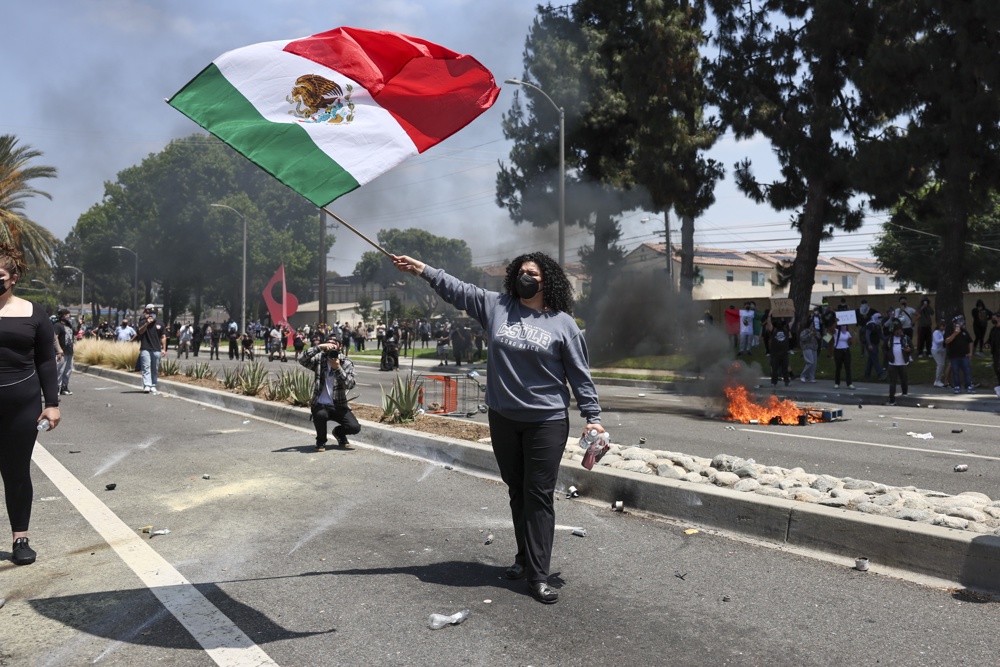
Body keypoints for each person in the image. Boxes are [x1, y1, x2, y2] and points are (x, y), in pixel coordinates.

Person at [392, 250, 604, 605]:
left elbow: (580, 375)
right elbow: (456, 289)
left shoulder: (563, 323)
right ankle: (524, 558)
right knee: (517, 492)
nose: (525, 277)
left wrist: (592, 415)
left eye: (532, 273)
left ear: (545, 280)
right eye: (521, 272)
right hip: (503, 418)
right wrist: (423, 269)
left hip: (546, 421)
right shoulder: (497, 307)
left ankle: (538, 575)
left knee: (538, 495)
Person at [0, 242, 61, 565]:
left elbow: (46, 361)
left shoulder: (33, 312)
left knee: (16, 472)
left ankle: (20, 538)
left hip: (21, 404)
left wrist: (52, 403)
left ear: (13, 277)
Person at [298, 334, 360, 452]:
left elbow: (350, 384)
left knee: (354, 427)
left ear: (340, 346)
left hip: (339, 405)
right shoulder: (320, 359)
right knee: (320, 414)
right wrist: (319, 346)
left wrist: (337, 368)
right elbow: (301, 358)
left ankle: (339, 433)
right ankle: (321, 440)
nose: (331, 345)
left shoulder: (346, 362)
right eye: (328, 342)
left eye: (334, 342)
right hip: (321, 404)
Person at [136, 305, 166, 394]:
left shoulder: (160, 324)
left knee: (154, 368)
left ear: (156, 314)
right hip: (145, 348)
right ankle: (147, 385)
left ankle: (153, 385)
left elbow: (163, 336)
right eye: (150, 313)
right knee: (146, 367)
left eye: (154, 313)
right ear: (147, 313)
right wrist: (147, 323)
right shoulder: (143, 322)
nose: (152, 314)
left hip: (156, 349)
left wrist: (164, 349)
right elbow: (140, 332)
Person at [883, 319, 912, 405]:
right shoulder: (889, 339)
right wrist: (888, 355)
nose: (899, 333)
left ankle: (905, 392)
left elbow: (912, 348)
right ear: (893, 331)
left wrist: (909, 350)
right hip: (893, 363)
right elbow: (884, 348)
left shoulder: (906, 338)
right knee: (893, 382)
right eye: (897, 331)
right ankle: (892, 399)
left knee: (904, 379)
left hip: (903, 363)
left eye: (900, 331)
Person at [945, 315, 974, 393]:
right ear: (954, 323)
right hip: (954, 356)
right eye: (958, 322)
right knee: (955, 371)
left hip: (964, 355)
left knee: (967, 371)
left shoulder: (964, 331)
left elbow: (970, 341)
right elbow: (947, 341)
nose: (959, 324)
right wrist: (954, 334)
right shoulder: (949, 330)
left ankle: (968, 386)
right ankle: (957, 386)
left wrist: (970, 352)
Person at [53, 308, 76, 395]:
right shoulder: (57, 325)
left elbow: (76, 333)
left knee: (68, 370)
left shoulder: (69, 326)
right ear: (63, 316)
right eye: (68, 315)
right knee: (59, 370)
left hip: (70, 352)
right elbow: (55, 337)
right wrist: (59, 350)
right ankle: (56, 388)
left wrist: (80, 324)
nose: (69, 317)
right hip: (61, 353)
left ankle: (64, 388)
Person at [766, 316, 792, 387]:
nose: (779, 323)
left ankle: (786, 381)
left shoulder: (786, 329)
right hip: (775, 354)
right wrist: (770, 314)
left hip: (784, 353)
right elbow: (768, 322)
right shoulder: (773, 330)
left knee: (785, 369)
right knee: (774, 369)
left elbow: (792, 322)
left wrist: (793, 314)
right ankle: (774, 382)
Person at [830, 324, 854, 389]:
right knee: (838, 367)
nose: (844, 327)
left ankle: (849, 383)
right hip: (838, 350)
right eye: (843, 325)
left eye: (845, 326)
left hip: (846, 350)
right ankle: (837, 383)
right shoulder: (836, 331)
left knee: (847, 367)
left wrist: (850, 341)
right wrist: (835, 322)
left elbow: (850, 341)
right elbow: (830, 331)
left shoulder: (847, 333)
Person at [798, 318, 819, 383]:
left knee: (814, 364)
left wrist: (815, 333)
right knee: (810, 362)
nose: (813, 326)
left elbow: (819, 337)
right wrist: (810, 334)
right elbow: (802, 338)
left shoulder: (815, 331)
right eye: (812, 325)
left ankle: (811, 377)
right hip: (807, 348)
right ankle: (803, 375)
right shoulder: (805, 331)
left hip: (814, 348)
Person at [931, 320, 948, 387]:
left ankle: (939, 379)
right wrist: (945, 339)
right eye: (942, 326)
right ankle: (937, 380)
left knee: (942, 365)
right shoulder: (936, 332)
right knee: (940, 364)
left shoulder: (943, 332)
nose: (943, 327)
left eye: (944, 326)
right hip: (936, 350)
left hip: (943, 350)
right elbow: (937, 341)